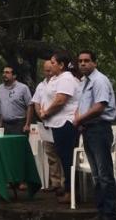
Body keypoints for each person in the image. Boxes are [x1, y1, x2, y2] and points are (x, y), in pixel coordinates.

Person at [74, 50, 116, 220]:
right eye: (80, 61)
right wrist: (78, 120)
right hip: (88, 130)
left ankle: (109, 214)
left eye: (87, 60)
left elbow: (99, 107)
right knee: (96, 175)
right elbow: (81, 105)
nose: (83, 63)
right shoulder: (84, 82)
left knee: (104, 174)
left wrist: (79, 120)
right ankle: (101, 212)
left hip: (100, 129)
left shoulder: (100, 81)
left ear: (95, 63)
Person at [37, 51, 80, 204]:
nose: (51, 65)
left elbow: (61, 100)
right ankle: (67, 187)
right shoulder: (57, 78)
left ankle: (71, 191)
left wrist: (46, 113)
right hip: (56, 123)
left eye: (53, 63)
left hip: (65, 123)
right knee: (62, 157)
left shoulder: (67, 78)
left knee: (67, 158)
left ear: (61, 65)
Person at [29, 61, 63, 192]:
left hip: (59, 121)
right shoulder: (41, 85)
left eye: (50, 70)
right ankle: (55, 182)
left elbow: (61, 101)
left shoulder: (60, 82)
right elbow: (36, 102)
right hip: (46, 123)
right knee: (50, 154)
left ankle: (65, 183)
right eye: (46, 70)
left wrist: (49, 113)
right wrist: (41, 116)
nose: (48, 73)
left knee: (62, 154)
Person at [0, 66, 32, 135]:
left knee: (18, 145)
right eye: (3, 73)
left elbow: (30, 105)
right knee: (5, 145)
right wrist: (0, 123)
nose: (4, 75)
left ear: (14, 76)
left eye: (7, 73)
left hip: (19, 124)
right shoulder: (0, 88)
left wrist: (27, 124)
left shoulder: (23, 88)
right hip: (5, 124)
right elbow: (1, 106)